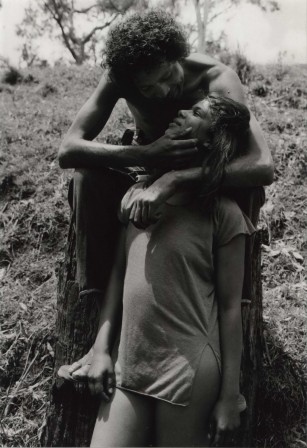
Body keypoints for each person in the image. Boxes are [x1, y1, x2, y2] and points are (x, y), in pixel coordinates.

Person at [57, 9, 273, 312]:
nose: (160, 91)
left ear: (178, 56)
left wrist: (179, 178)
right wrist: (146, 154)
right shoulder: (120, 77)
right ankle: (98, 303)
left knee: (247, 189)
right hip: (144, 174)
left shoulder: (216, 78)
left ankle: (236, 298)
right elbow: (68, 149)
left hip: (203, 184)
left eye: (168, 75)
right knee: (86, 179)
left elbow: (262, 165)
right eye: (146, 88)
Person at [79, 95, 255, 447]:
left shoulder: (224, 214)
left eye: (197, 113)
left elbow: (232, 307)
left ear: (211, 140)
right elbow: (118, 273)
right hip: (129, 361)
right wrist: (101, 349)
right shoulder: (137, 195)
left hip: (188, 369)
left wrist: (229, 396)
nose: (181, 111)